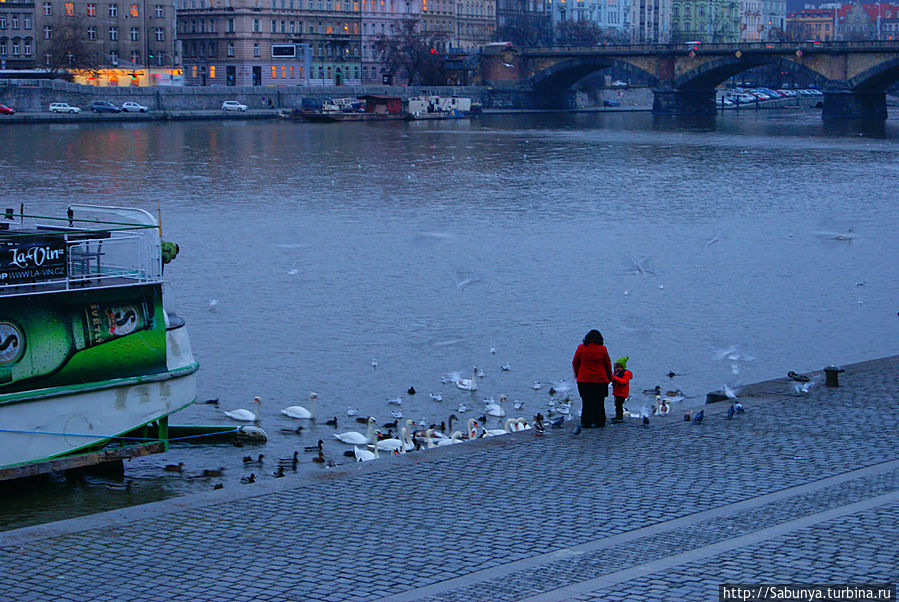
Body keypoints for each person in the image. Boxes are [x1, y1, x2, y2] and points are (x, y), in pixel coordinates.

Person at [572, 329, 612, 434]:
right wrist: (609, 377)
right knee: (599, 402)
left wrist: (578, 374)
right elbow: (607, 365)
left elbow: (575, 362)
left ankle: (586, 422)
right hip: (600, 380)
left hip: (584, 379)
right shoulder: (603, 349)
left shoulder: (581, 348)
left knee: (586, 402)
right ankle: (599, 421)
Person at [610, 356, 633, 423]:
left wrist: (615, 378)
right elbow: (612, 378)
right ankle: (618, 416)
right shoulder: (617, 374)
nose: (617, 369)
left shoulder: (625, 374)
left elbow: (624, 382)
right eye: (616, 367)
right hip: (617, 392)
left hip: (622, 393)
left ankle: (619, 417)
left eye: (619, 367)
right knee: (617, 405)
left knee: (619, 405)